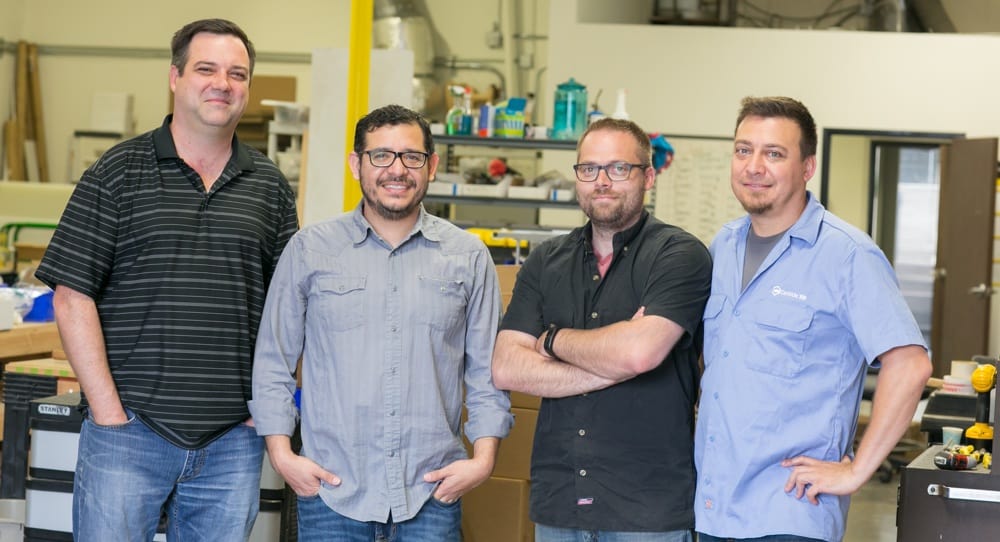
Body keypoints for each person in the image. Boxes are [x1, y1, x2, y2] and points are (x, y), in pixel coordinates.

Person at [34, 18, 298, 541]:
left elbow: (289, 307)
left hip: (232, 440)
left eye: (237, 73)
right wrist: (109, 412)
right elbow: (71, 296)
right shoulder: (117, 171)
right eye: (206, 68)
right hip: (128, 435)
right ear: (175, 77)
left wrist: (267, 409)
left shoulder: (269, 186)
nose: (223, 82)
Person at [249, 104, 513, 541]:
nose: (397, 170)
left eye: (411, 157)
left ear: (431, 166)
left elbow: (488, 372)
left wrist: (483, 459)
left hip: (430, 494)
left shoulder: (467, 256)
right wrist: (282, 454)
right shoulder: (310, 250)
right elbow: (273, 359)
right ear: (357, 165)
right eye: (381, 156)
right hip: (331, 492)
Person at [694, 96, 933, 542]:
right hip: (712, 506)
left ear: (807, 167)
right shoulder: (722, 246)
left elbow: (910, 363)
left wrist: (858, 469)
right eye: (744, 150)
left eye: (774, 153)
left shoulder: (847, 255)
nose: (753, 166)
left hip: (790, 509)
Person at [492, 117, 712, 541]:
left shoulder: (679, 255)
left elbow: (638, 354)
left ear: (647, 176)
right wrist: (612, 359)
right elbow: (506, 368)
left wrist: (552, 341)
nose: (602, 181)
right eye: (589, 169)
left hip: (647, 510)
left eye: (618, 168)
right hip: (560, 503)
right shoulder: (545, 261)